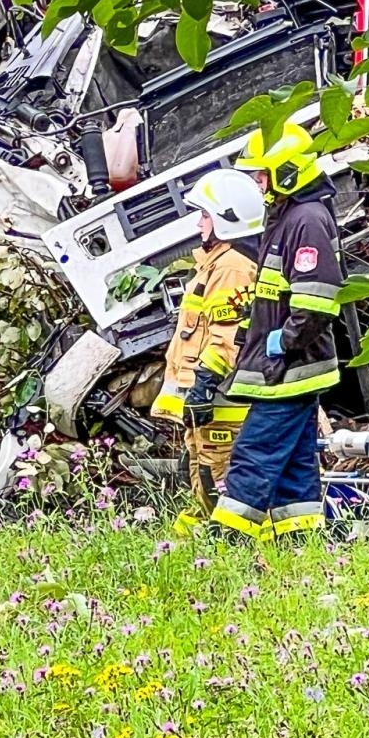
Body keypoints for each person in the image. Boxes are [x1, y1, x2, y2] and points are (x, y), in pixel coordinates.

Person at [211, 122, 345, 543]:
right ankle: (299, 537)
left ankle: (227, 541)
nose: (257, 183)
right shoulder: (289, 214)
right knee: (294, 466)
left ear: (287, 171)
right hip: (287, 367)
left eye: (262, 174)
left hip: (290, 369)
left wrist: (282, 344)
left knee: (255, 454)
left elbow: (317, 300)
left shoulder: (306, 219)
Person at [150, 169, 264, 534]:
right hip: (206, 397)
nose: (199, 223)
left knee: (216, 472)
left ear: (225, 219)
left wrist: (204, 384)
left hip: (220, 398)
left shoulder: (232, 268)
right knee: (199, 467)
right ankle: (205, 536)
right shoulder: (216, 263)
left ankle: (228, 539)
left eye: (205, 215)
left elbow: (226, 336)